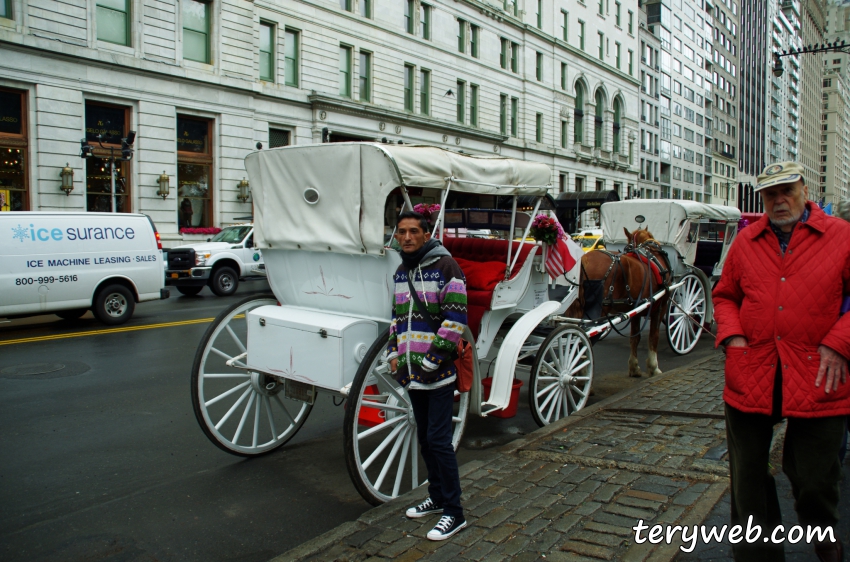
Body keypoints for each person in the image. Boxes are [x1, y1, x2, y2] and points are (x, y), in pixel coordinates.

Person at [713, 162, 850, 562]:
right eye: (770, 194)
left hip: (820, 370)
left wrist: (840, 343)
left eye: (787, 191)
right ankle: (759, 554)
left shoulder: (841, 237)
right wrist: (733, 336)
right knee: (748, 479)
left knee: (813, 478)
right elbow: (724, 295)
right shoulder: (747, 241)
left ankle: (825, 539)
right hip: (753, 367)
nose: (779, 200)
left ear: (804, 189)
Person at [387, 210, 468, 541]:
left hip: (437, 373)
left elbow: (455, 320)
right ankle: (436, 497)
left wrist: (431, 362)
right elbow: (395, 317)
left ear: (425, 234)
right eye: (402, 232)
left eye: (413, 232)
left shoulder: (446, 267)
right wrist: (394, 354)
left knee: (438, 441)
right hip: (411, 373)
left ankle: (454, 512)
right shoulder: (399, 272)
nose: (407, 237)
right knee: (425, 439)